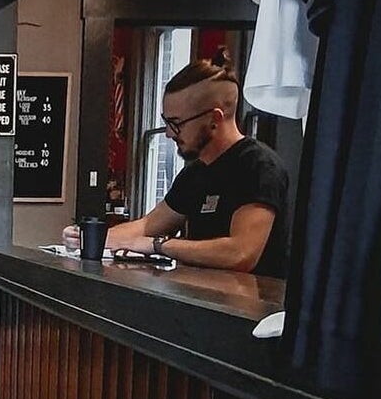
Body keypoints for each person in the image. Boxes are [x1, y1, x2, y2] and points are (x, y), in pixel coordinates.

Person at [64, 49, 290, 277]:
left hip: (249, 306)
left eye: (176, 123)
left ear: (215, 119)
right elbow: (148, 225)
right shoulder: (195, 173)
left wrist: (159, 245)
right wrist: (86, 238)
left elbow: (241, 254)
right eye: (166, 122)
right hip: (200, 298)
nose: (169, 134)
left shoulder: (258, 166)